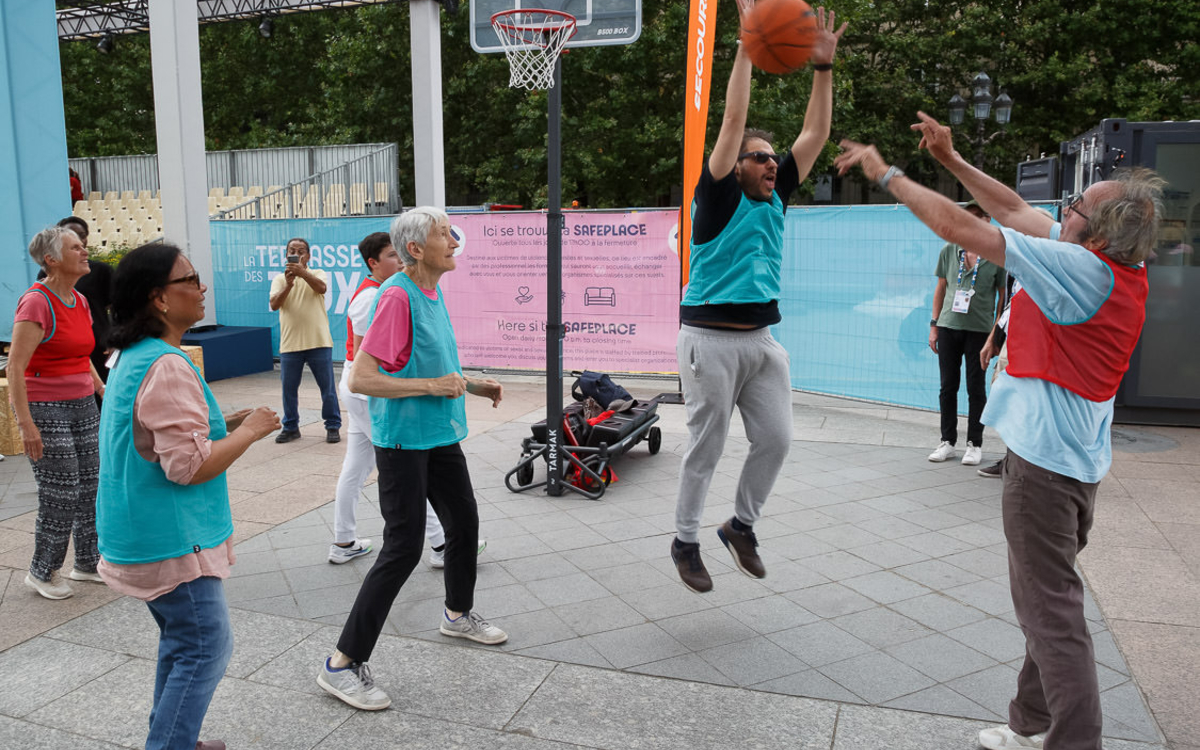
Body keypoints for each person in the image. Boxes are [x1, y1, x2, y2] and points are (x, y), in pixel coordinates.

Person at [834, 114, 1164, 750]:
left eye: (1074, 206)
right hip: (1075, 466)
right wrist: (951, 159)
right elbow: (1012, 208)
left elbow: (961, 228)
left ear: (1096, 234)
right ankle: (1030, 724)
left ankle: (1074, 741)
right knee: (1050, 604)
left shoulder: (1079, 269)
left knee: (1052, 616)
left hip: (1045, 471)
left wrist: (886, 172)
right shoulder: (1114, 264)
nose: (1063, 210)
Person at [671, 1, 846, 593]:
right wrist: (747, 47)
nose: (773, 163)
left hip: (761, 341)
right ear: (738, 166)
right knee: (708, 446)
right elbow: (731, 121)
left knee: (776, 439)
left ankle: (740, 526)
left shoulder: (777, 195)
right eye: (761, 156)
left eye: (775, 157)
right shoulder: (719, 195)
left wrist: (823, 67)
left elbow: (815, 134)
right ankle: (685, 541)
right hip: (709, 341)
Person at [317, 207, 506, 711]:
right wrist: (432, 386)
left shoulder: (431, 290)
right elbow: (362, 378)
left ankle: (457, 614)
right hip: (403, 441)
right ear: (416, 249)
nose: (454, 241)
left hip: (439, 435)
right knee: (403, 548)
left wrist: (473, 384)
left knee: (463, 524)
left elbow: (435, 363)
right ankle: (341, 663)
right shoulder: (396, 296)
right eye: (444, 234)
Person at [96, 243, 280, 750]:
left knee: (183, 644)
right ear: (159, 298)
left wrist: (230, 422)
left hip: (140, 530)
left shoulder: (132, 354)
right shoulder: (167, 364)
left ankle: (174, 737)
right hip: (171, 540)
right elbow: (189, 467)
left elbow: (155, 436)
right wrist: (252, 432)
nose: (202, 288)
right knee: (204, 647)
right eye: (191, 280)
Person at [330, 232, 484, 568]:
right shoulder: (383, 296)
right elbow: (366, 365)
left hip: (364, 391)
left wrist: (469, 385)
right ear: (373, 263)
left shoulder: (391, 291)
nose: (399, 260)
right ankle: (441, 543)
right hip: (372, 393)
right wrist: (428, 386)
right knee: (408, 464)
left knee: (357, 467)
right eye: (391, 255)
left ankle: (343, 539)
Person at [9, 226, 105, 600]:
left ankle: (87, 563)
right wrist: (26, 424)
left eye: (83, 246)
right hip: (44, 407)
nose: (85, 251)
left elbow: (81, 355)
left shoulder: (79, 300)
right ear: (51, 259)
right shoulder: (36, 302)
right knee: (61, 490)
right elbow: (15, 367)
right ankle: (42, 570)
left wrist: (100, 387)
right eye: (75, 247)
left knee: (90, 484)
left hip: (83, 403)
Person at [927, 200, 1006, 467]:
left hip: (980, 330)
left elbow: (1003, 297)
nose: (972, 221)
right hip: (949, 326)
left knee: (976, 387)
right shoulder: (949, 250)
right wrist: (934, 325)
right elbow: (941, 288)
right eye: (968, 216)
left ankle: (975, 443)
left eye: (978, 216)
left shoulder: (996, 255)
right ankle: (947, 441)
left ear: (987, 220)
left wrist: (996, 335)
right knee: (948, 386)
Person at [269, 237, 341, 443]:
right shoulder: (279, 279)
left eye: (301, 251)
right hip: (290, 343)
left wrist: (302, 273)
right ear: (286, 255)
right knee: (289, 390)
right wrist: (289, 285)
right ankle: (291, 427)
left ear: (308, 256)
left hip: (318, 341)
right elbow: (274, 304)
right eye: (292, 251)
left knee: (327, 389)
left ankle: (332, 425)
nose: (296, 254)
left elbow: (321, 288)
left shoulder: (317, 273)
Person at [56, 217, 115, 386]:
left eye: (82, 235)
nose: (79, 240)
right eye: (71, 234)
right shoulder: (49, 274)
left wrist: (115, 341)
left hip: (100, 349)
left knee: (103, 392)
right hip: (66, 349)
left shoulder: (101, 271)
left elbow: (119, 308)